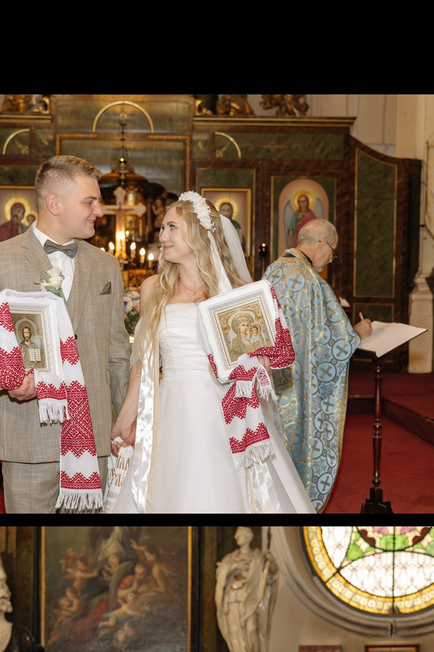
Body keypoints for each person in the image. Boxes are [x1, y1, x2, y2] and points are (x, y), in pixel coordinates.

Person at [106, 194, 311, 513]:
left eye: (172, 227)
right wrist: (125, 418)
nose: (162, 237)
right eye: (162, 229)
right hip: (171, 409)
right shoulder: (153, 289)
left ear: (200, 233)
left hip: (226, 409)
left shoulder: (239, 290)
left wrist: (260, 363)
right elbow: (143, 365)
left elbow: (262, 371)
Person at [0, 154, 130, 513]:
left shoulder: (106, 264)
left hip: (94, 435)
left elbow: (116, 353)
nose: (99, 209)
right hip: (28, 435)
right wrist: (12, 373)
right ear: (54, 203)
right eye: (89, 201)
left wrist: (127, 419)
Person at [268, 217, 371, 510]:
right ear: (322, 243)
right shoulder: (313, 282)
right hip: (300, 385)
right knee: (299, 446)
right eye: (332, 252)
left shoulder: (273, 270)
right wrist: (358, 333)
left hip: (272, 379)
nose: (330, 259)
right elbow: (335, 346)